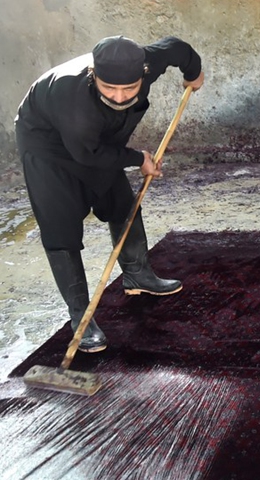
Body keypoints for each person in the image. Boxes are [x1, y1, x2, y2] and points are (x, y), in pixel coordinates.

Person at [15, 35, 204, 353]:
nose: (119, 97)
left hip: (94, 140)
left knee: (120, 201)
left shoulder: (148, 61)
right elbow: (87, 154)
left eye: (129, 89)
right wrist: (139, 158)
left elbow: (179, 49)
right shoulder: (74, 104)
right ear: (93, 75)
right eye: (109, 88)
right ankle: (81, 317)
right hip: (46, 144)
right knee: (60, 224)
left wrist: (193, 73)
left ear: (143, 73)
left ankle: (138, 274)